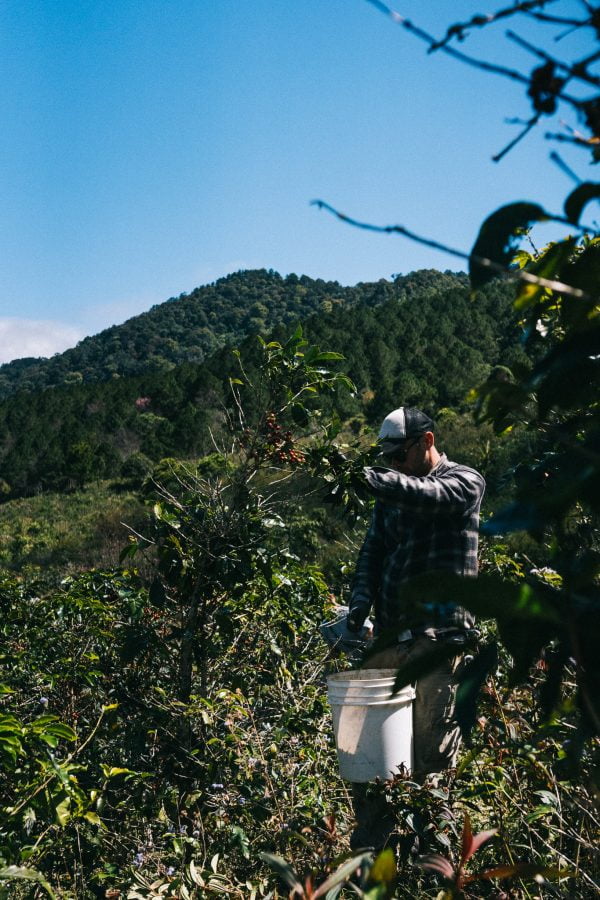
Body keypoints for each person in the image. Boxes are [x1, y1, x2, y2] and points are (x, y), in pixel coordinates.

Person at [346, 406, 485, 849]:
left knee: (432, 763)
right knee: (371, 760)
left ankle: (434, 868)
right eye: (387, 459)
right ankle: (374, 857)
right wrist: (358, 610)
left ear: (426, 442)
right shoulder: (394, 493)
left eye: (399, 455)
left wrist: (373, 479)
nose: (394, 465)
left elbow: (430, 496)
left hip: (440, 640)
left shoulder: (464, 482)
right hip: (390, 639)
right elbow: (373, 551)